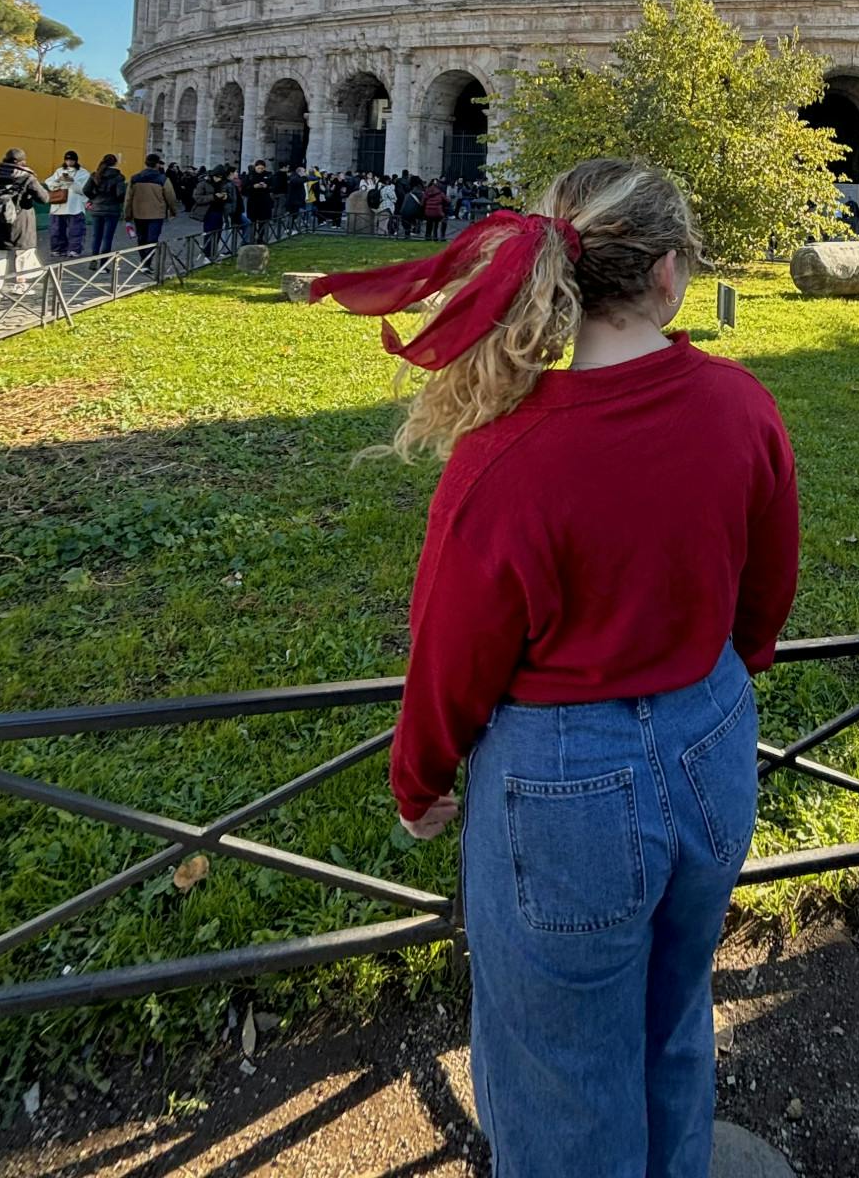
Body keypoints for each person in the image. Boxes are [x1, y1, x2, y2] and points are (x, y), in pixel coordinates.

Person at [311, 159, 800, 1178]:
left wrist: (419, 784)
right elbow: (767, 584)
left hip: (562, 778)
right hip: (712, 733)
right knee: (674, 1015)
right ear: (667, 276)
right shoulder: (742, 403)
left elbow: (451, 653)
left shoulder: (505, 454)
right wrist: (723, 677)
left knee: (559, 1072)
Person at [0, 150, 50, 285]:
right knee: (24, 254)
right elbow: (44, 199)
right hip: (20, 222)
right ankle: (21, 286)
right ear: (23, 162)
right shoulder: (27, 178)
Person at [124, 154, 178, 268]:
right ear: (157, 164)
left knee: (141, 238)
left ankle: (143, 260)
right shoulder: (163, 179)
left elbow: (128, 198)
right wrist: (173, 211)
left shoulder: (134, 178)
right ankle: (147, 263)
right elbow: (171, 197)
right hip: (156, 214)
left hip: (139, 213)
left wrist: (127, 214)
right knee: (152, 239)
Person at [44, 151, 90, 259]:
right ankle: (57, 249)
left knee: (76, 230)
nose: (69, 162)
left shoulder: (83, 173)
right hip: (59, 205)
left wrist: (72, 182)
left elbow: (84, 189)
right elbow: (49, 183)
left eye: (71, 160)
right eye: (67, 160)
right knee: (57, 229)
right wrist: (58, 181)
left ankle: (74, 249)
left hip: (75, 206)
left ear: (76, 161)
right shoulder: (59, 171)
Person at [84, 153, 128, 260]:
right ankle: (104, 264)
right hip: (112, 210)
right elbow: (120, 194)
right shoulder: (118, 177)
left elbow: (86, 190)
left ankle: (93, 261)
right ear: (116, 163)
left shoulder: (95, 175)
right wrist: (119, 202)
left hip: (97, 209)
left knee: (96, 237)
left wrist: (94, 199)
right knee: (107, 238)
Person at [243, 162, 275, 244]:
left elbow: (274, 187)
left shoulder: (269, 175)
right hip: (253, 202)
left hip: (264, 201)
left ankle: (261, 238)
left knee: (263, 221)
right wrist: (253, 186)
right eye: (258, 168)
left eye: (262, 168)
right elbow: (244, 189)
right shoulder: (250, 176)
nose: (260, 170)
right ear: (255, 167)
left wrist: (266, 186)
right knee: (252, 221)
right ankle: (251, 238)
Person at [421, 177, 447, 242]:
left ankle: (427, 236)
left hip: (428, 212)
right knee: (441, 221)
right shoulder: (440, 192)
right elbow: (447, 201)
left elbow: (422, 203)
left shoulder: (426, 192)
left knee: (429, 223)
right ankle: (440, 236)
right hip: (438, 212)